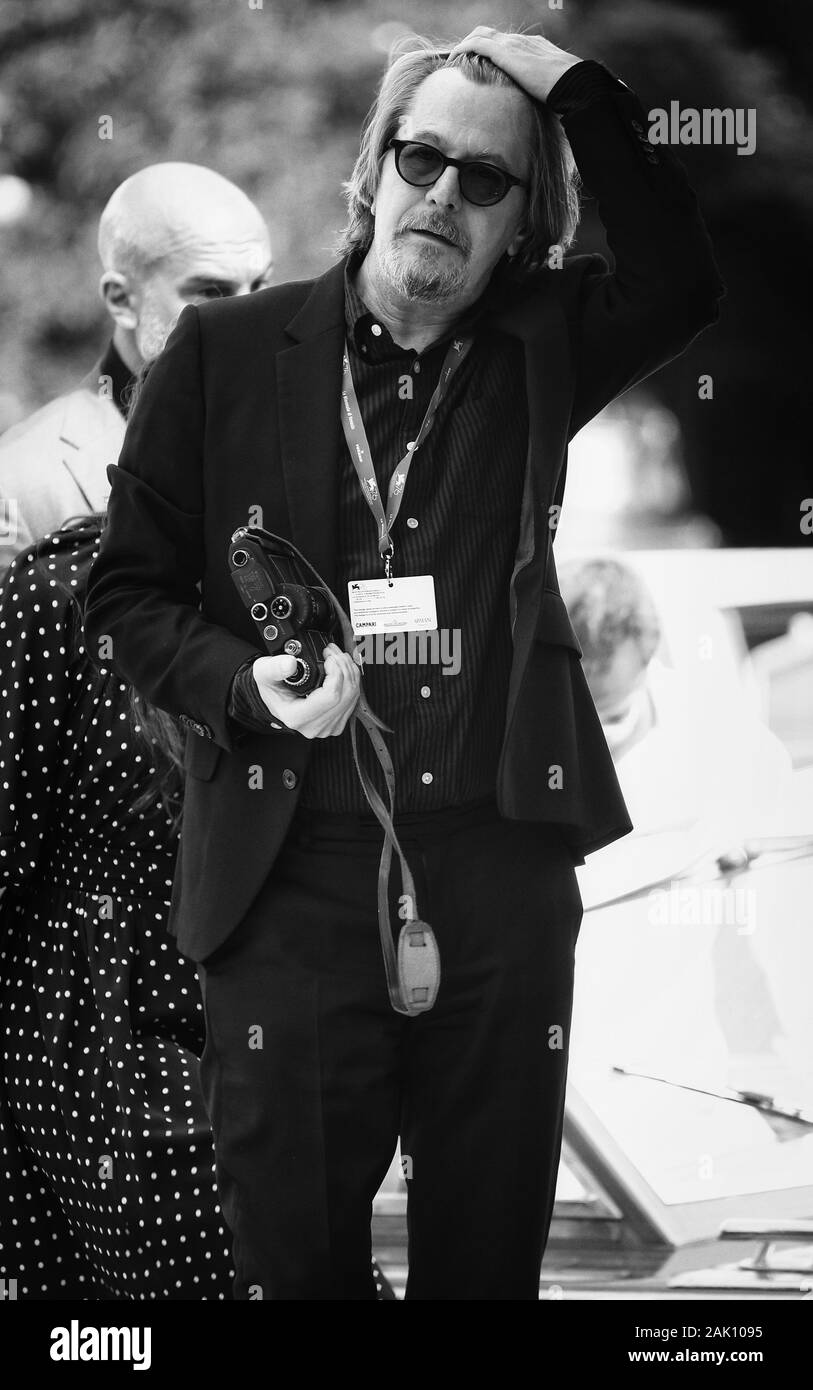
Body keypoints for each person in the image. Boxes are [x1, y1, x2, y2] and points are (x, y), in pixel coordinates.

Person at [84, 28, 724, 1300]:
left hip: (497, 876)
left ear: (522, 228)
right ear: (372, 172)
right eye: (422, 156)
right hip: (291, 883)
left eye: (486, 180)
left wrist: (571, 87)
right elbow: (130, 593)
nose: (443, 194)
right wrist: (239, 684)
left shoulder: (544, 342)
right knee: (304, 1269)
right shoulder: (222, 353)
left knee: (484, 1274)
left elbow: (681, 274)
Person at [0, 163, 273, 577]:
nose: (247, 313)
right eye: (211, 291)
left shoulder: (290, 431)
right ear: (122, 299)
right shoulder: (21, 482)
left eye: (259, 286)